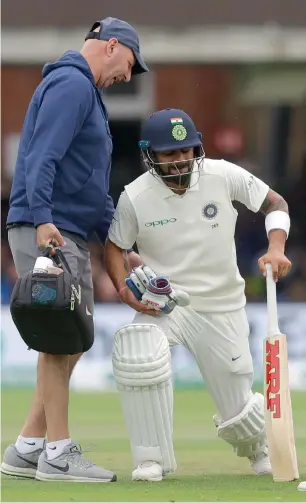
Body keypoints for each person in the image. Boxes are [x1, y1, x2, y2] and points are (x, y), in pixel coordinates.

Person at [104, 108, 292, 481]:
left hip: (222, 304)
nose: (181, 160)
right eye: (170, 154)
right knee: (139, 351)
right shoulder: (135, 196)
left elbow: (276, 203)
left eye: (187, 150)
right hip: (167, 303)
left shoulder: (222, 174)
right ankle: (150, 459)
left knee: (238, 405)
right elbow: (115, 246)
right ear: (150, 155)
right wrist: (123, 288)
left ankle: (258, 447)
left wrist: (276, 247)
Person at [1, 17, 148, 483]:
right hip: (51, 229)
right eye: (129, 64)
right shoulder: (72, 84)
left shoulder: (85, 93)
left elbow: (91, 188)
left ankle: (28, 446)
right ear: (111, 46)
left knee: (67, 341)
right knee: (59, 341)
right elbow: (42, 153)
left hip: (63, 227)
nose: (128, 75)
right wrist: (43, 217)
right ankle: (57, 454)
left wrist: (120, 244)